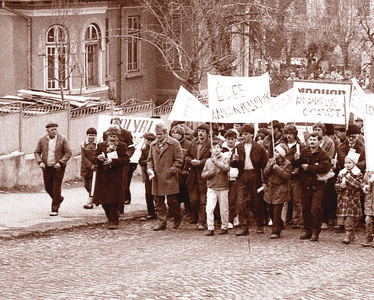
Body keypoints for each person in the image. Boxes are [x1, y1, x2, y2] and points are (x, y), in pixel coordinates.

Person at [230, 123, 268, 236]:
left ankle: (260, 224)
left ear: (252, 134)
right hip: (242, 176)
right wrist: (234, 160)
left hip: (255, 176)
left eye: (246, 134)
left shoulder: (259, 147)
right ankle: (244, 226)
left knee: (257, 202)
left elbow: (264, 165)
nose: (244, 136)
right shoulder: (238, 147)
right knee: (240, 202)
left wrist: (265, 181)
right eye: (243, 134)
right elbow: (232, 164)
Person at [294, 132, 332, 242]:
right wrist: (296, 159)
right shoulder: (304, 152)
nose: (312, 141)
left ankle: (316, 231)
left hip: (317, 185)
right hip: (305, 184)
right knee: (305, 208)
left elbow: (325, 167)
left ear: (320, 141)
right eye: (310, 139)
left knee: (315, 208)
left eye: (314, 140)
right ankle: (307, 229)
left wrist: (309, 168)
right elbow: (297, 165)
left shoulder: (323, 154)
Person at [147, 122, 184, 231]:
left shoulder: (174, 143)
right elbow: (150, 159)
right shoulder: (153, 145)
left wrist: (172, 170)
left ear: (165, 133)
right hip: (157, 177)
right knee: (158, 201)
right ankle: (161, 222)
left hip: (169, 177)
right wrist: (150, 169)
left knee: (172, 200)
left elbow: (179, 160)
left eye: (160, 134)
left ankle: (177, 217)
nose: (158, 136)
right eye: (156, 134)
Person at [93, 126, 130, 229]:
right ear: (107, 136)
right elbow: (94, 158)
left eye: (114, 136)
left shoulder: (122, 146)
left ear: (118, 136)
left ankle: (113, 221)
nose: (112, 138)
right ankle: (110, 218)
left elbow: (126, 160)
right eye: (110, 136)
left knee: (113, 201)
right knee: (104, 202)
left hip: (115, 177)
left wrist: (113, 162)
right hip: (103, 177)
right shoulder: (101, 145)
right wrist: (98, 158)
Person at [34, 122, 72, 216]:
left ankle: (54, 209)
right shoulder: (42, 139)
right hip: (47, 167)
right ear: (47, 131)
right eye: (52, 130)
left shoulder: (62, 139)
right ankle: (59, 199)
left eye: (56, 129)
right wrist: (40, 162)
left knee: (56, 188)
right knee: (48, 187)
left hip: (58, 167)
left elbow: (68, 152)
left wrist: (61, 162)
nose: (54, 131)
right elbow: (37, 152)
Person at [104, 117, 135, 209]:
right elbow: (104, 146)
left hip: (122, 163)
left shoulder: (126, 133)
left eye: (117, 124)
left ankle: (122, 203)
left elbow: (131, 148)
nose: (115, 126)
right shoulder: (106, 133)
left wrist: (126, 157)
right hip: (110, 161)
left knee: (123, 181)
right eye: (113, 124)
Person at [185, 123, 211, 230]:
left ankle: (202, 221)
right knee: (193, 199)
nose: (201, 133)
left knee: (203, 199)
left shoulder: (211, 144)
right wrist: (191, 161)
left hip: (204, 176)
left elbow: (211, 158)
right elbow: (186, 155)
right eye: (199, 131)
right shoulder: (193, 143)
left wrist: (201, 162)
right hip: (193, 176)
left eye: (203, 131)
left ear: (207, 133)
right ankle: (196, 216)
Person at [263, 143, 292, 239]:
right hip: (271, 188)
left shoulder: (287, 163)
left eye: (277, 151)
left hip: (281, 189)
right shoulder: (271, 161)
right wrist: (270, 167)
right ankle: (279, 223)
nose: (274, 153)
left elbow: (287, 176)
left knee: (276, 210)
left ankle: (275, 230)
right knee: (270, 209)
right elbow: (265, 173)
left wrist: (278, 169)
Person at [202, 139, 230, 236]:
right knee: (209, 208)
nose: (216, 149)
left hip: (223, 187)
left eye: (218, 147)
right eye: (214, 147)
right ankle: (210, 227)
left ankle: (224, 226)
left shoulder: (225, 159)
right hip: (212, 187)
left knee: (224, 208)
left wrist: (217, 162)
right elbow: (203, 174)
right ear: (211, 150)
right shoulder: (208, 161)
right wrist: (210, 173)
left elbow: (226, 168)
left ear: (221, 149)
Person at [335, 150, 363, 244]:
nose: (347, 165)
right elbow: (336, 185)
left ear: (354, 163)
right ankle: (351, 234)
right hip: (343, 199)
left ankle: (348, 234)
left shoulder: (358, 173)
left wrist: (348, 179)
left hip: (353, 199)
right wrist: (340, 186)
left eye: (349, 163)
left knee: (350, 218)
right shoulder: (341, 173)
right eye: (346, 162)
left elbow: (359, 185)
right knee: (346, 218)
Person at [313, 122, 336, 230]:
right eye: (315, 129)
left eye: (319, 130)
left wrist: (321, 164)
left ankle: (326, 219)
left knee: (326, 197)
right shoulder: (313, 140)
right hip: (314, 171)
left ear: (323, 131)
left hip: (325, 172)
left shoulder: (329, 142)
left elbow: (329, 157)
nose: (317, 132)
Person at [283, 124, 304, 229]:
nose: (288, 136)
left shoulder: (300, 146)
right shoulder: (282, 146)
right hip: (285, 175)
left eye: (290, 133)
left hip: (296, 177)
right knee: (285, 199)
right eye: (287, 133)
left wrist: (298, 164)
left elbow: (304, 161)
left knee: (296, 200)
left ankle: (297, 220)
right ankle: (285, 218)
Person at [170, 124, 192, 218]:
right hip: (174, 171)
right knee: (174, 193)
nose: (175, 135)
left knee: (185, 192)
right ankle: (175, 212)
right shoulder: (171, 143)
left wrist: (185, 169)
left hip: (183, 171)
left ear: (181, 134)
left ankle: (188, 210)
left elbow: (187, 157)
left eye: (177, 133)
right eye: (173, 133)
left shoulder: (187, 144)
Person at [222, 129, 240, 229]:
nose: (230, 141)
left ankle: (232, 218)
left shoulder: (238, 149)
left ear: (235, 139)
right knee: (225, 200)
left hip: (235, 177)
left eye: (232, 139)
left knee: (233, 199)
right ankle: (226, 218)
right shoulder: (222, 149)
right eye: (228, 139)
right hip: (224, 178)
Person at [138, 132, 157, 221]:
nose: (144, 141)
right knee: (148, 193)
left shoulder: (156, 148)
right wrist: (149, 162)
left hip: (157, 174)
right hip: (148, 174)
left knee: (157, 194)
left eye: (145, 139)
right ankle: (151, 212)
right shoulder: (144, 150)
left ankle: (160, 211)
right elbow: (141, 161)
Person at [81, 127, 98, 209]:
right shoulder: (83, 144)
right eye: (90, 135)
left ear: (95, 136)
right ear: (87, 135)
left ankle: (90, 201)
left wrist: (95, 165)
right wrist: (90, 165)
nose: (91, 137)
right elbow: (83, 157)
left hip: (95, 168)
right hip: (86, 168)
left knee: (92, 184)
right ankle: (94, 197)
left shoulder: (98, 144)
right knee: (86, 185)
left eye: (93, 135)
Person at [361, 171, 374, 247]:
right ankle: (369, 237)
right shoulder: (369, 172)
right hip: (370, 201)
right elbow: (363, 182)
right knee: (368, 220)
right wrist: (365, 186)